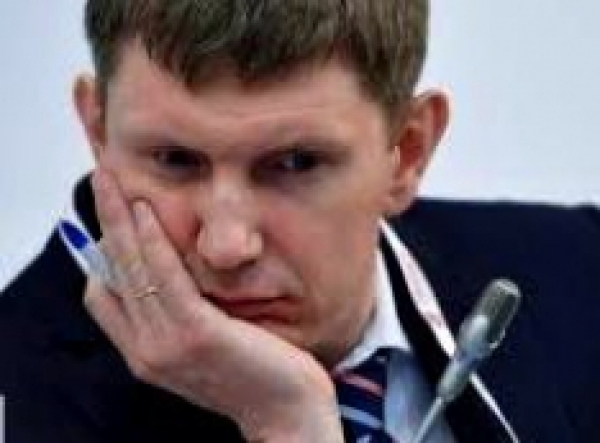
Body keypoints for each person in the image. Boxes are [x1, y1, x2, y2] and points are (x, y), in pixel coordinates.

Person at [1, 0, 599, 442]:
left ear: (408, 151)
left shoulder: (582, 276)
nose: (226, 245)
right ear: (98, 133)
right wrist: (286, 424)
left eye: (294, 164)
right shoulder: (22, 397)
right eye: (175, 160)